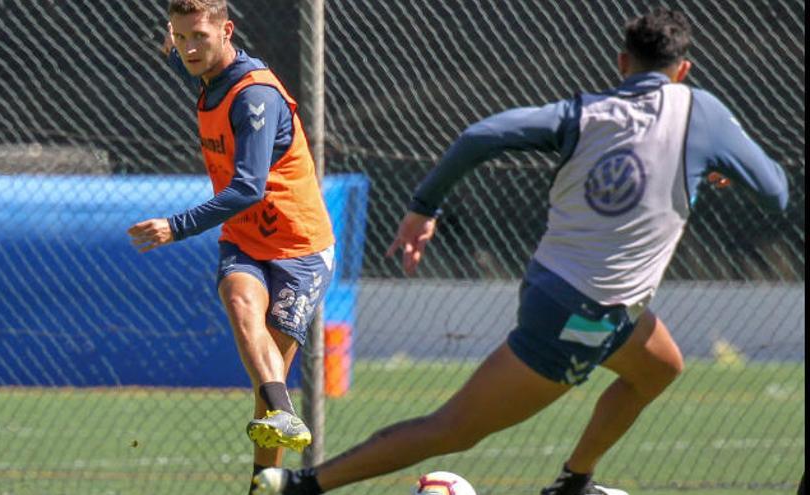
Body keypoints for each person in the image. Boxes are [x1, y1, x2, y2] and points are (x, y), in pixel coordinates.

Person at [252, 7, 789, 495]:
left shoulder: (584, 112)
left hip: (559, 286)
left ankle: (574, 482)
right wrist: (719, 164)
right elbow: (776, 190)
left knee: (659, 367)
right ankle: (305, 486)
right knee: (456, 428)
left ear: (623, 62)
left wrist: (424, 208)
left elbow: (481, 134)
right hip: (585, 312)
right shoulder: (705, 113)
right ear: (684, 70)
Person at [127, 0, 335, 491]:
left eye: (199, 35)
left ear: (228, 31)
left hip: (299, 248)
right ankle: (285, 416)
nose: (189, 48)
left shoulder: (253, 97)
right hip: (244, 239)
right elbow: (180, 49)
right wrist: (173, 38)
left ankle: (262, 481)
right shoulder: (199, 64)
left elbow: (247, 187)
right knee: (240, 302)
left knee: (266, 392)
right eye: (180, 38)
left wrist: (175, 227)